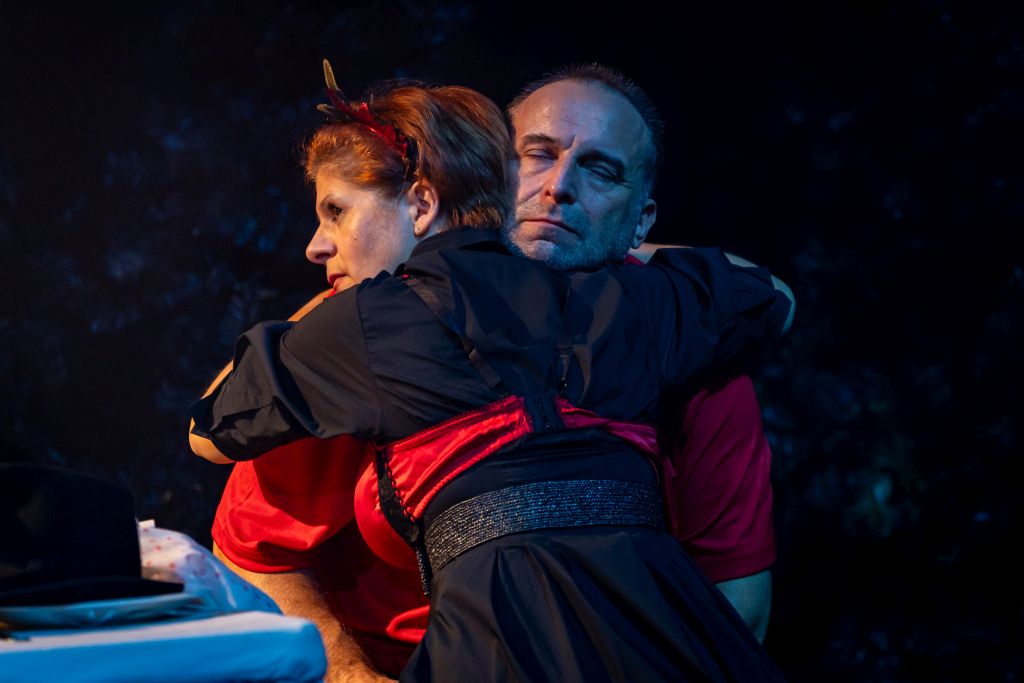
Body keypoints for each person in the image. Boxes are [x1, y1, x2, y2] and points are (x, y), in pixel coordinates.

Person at [190, 65, 793, 681]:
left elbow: (737, 609)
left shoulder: (669, 326)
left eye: (601, 170)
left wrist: (612, 254)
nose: (558, 187)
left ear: (641, 220)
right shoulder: (369, 335)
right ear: (485, 172)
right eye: (536, 154)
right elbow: (250, 546)